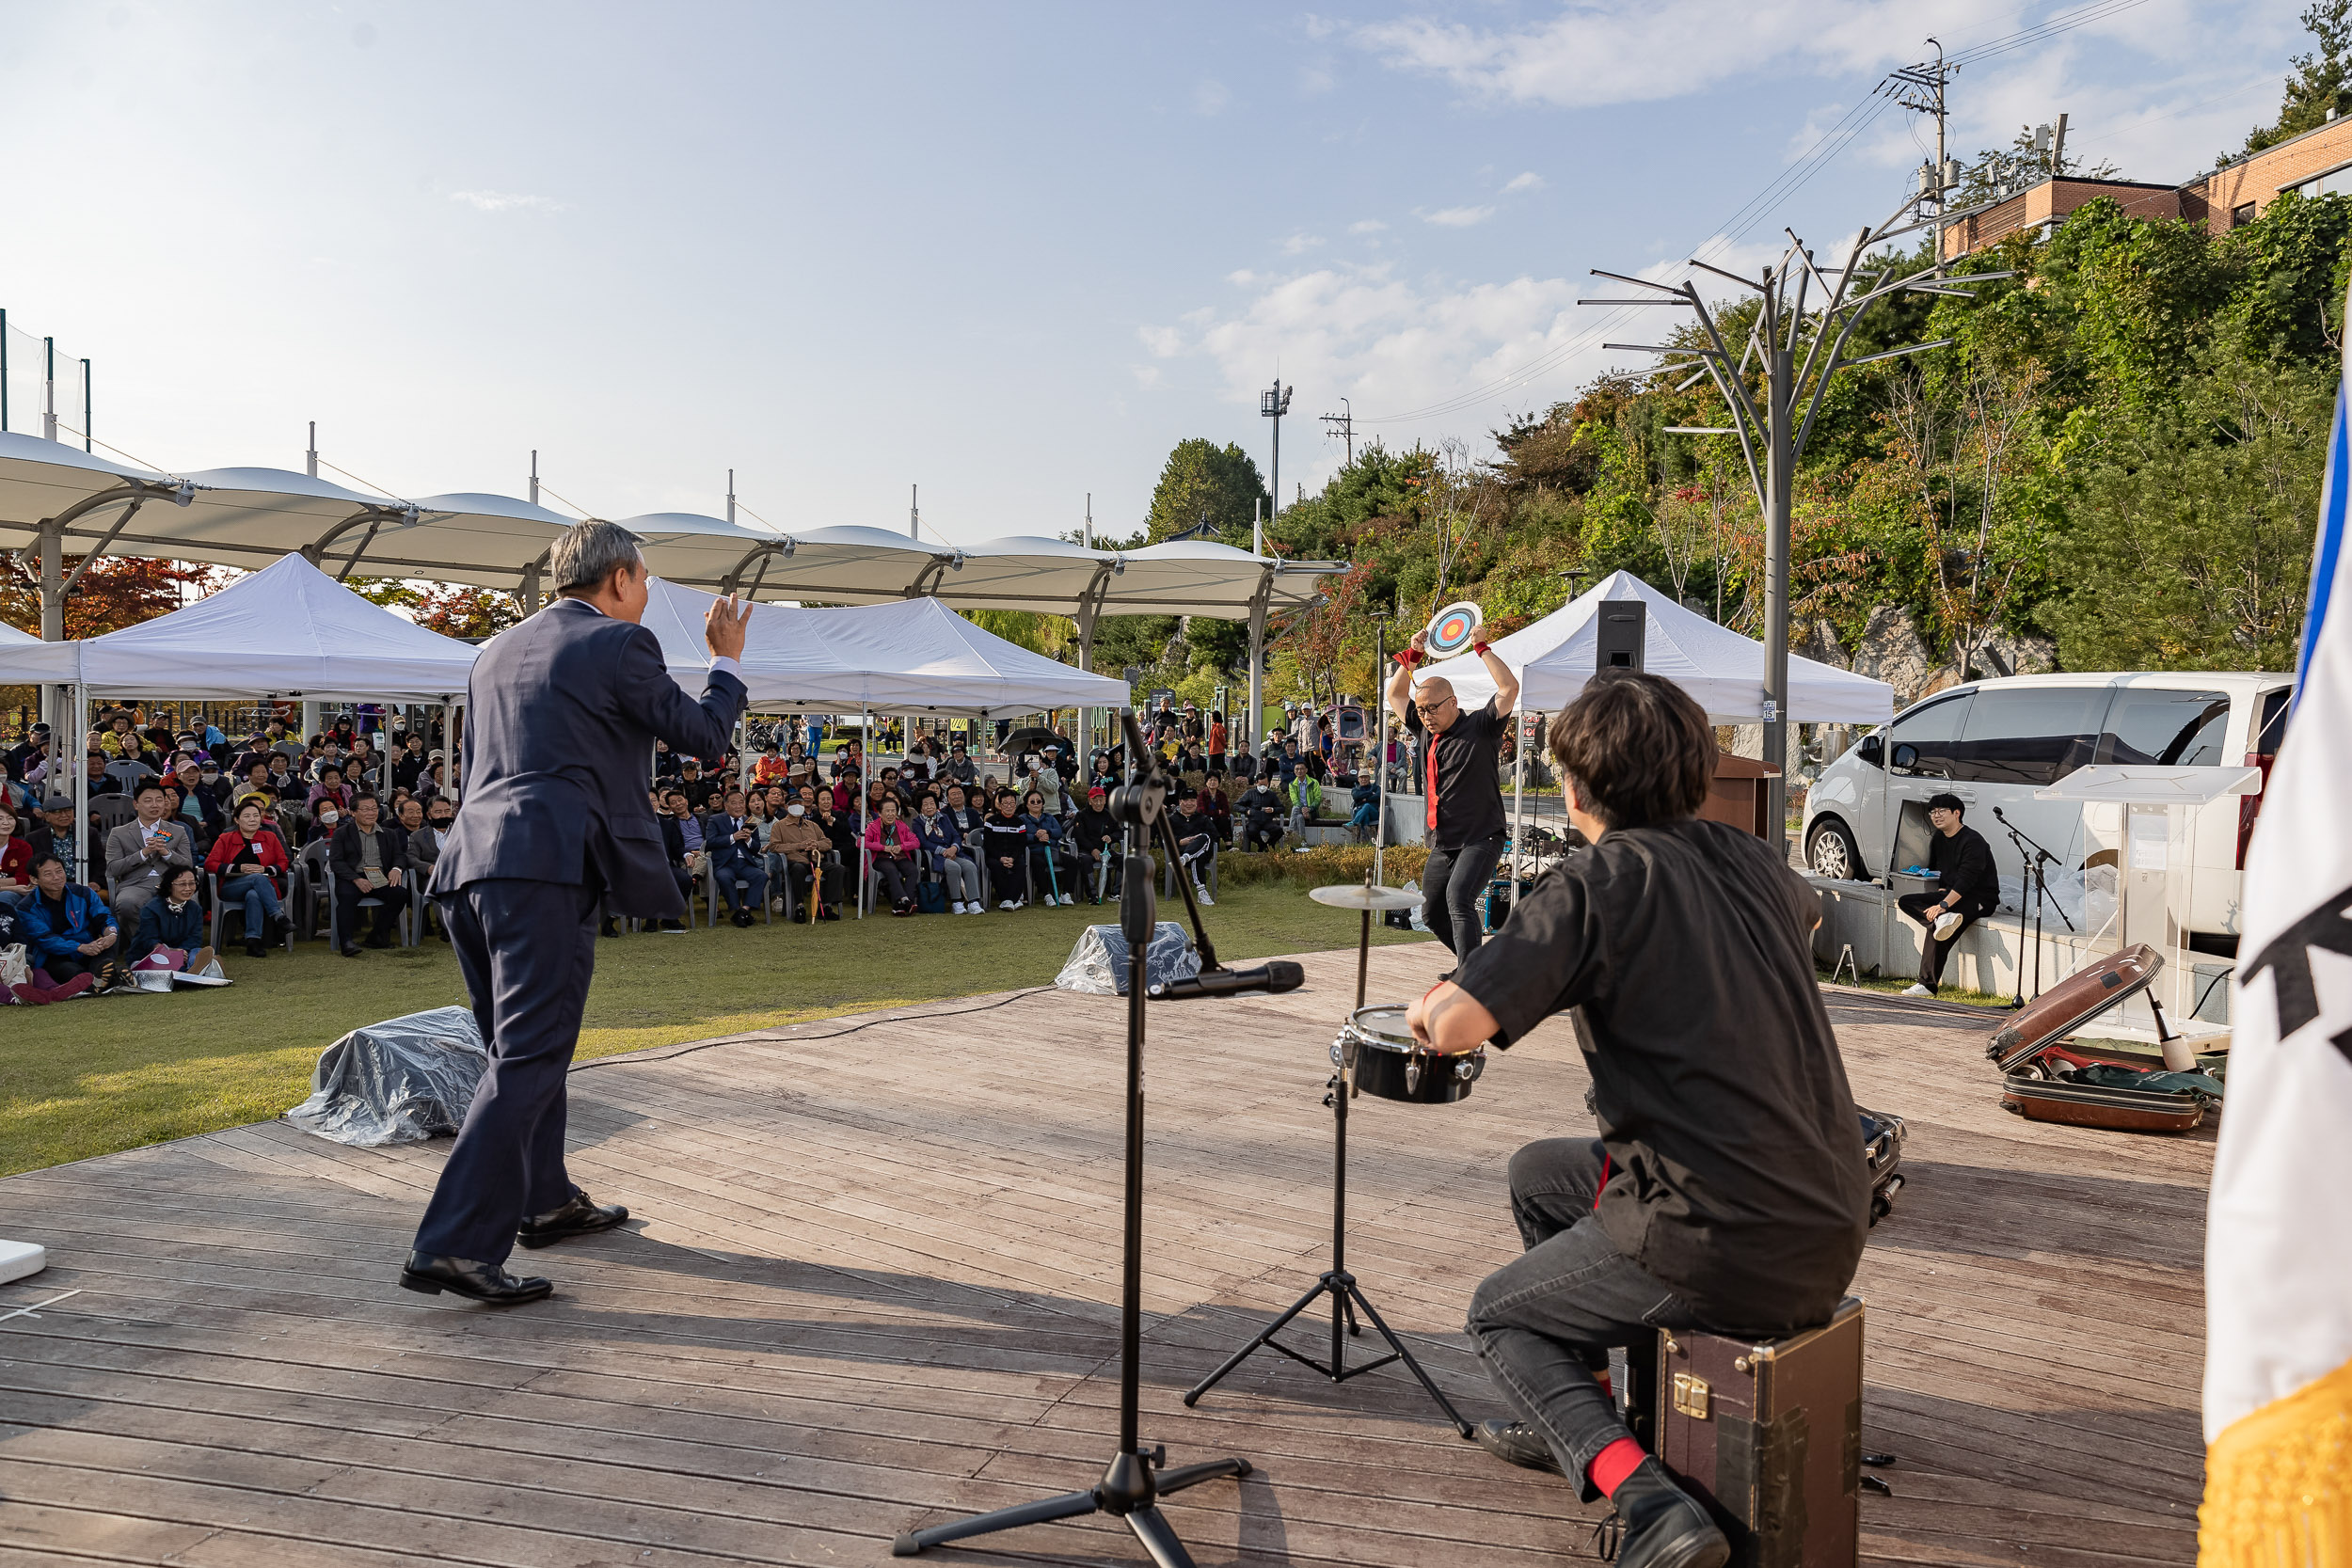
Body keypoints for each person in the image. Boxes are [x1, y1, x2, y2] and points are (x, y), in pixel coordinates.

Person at [1405, 673, 1866, 1567]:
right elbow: (1803, 917)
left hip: (1716, 1235)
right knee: (1540, 1174)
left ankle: (1648, 1498)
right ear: (1695, 776)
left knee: (1500, 1315)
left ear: (1575, 788)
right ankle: (1578, 1418)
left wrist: (1431, 1004)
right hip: (1827, 1213)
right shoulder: (1754, 858)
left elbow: (1459, 1024)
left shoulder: (1598, 882)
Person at [404, 520, 751, 1307]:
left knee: (520, 1051)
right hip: (544, 868)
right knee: (530, 1054)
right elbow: (703, 737)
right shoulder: (619, 647)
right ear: (621, 579)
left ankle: (545, 1198)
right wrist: (725, 659)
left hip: (471, 865)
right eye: (646, 582)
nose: (648, 596)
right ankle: (453, 1243)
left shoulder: (493, 651)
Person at [1388, 625, 1519, 963]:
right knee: (1431, 912)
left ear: (1453, 702)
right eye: (1421, 710)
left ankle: (1471, 978)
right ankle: (1477, 967)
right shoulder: (1423, 730)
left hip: (1482, 837)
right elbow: (1395, 695)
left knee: (1459, 899)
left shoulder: (1482, 726)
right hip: (1443, 840)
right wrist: (1413, 656)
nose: (1426, 716)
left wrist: (1482, 647)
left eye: (1433, 708)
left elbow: (1509, 687)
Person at [1898, 792, 2000, 997]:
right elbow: (1943, 872)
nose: (1936, 815)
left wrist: (1943, 905)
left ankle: (1927, 985)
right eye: (1933, 811)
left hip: (1980, 898)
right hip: (1952, 895)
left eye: (1942, 811)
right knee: (1906, 901)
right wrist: (1942, 896)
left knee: (1939, 927)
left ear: (1957, 813)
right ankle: (1942, 921)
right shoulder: (1938, 839)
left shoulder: (1973, 841)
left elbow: (1967, 880)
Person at [18, 853, 121, 999]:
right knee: (72, 972)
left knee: (113, 933)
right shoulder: (26, 907)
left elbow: (103, 916)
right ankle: (109, 977)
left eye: (59, 871)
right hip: (55, 956)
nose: (56, 877)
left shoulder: (83, 892)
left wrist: (110, 934)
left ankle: (100, 977)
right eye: (48, 874)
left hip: (90, 948)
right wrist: (79, 947)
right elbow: (44, 939)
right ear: (34, 879)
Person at [105, 782, 198, 933]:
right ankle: (150, 943)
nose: (155, 805)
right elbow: (113, 868)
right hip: (135, 884)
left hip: (171, 883)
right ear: (136, 804)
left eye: (159, 800)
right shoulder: (119, 833)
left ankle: (165, 946)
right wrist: (144, 853)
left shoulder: (178, 831)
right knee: (127, 903)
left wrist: (166, 853)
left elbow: (188, 865)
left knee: (189, 902)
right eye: (148, 800)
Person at [203, 799, 290, 957]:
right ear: (237, 819)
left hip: (263, 887)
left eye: (256, 816)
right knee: (257, 878)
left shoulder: (269, 837)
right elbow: (210, 864)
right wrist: (238, 868)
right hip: (231, 887)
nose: (252, 820)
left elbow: (284, 862)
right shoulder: (226, 838)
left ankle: (253, 941)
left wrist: (266, 869)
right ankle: (278, 915)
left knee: (254, 894)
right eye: (247, 816)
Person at [328, 792, 407, 955]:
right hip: (352, 877)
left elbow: (399, 856)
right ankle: (347, 942)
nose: (371, 813)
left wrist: (396, 869)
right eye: (365, 809)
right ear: (353, 812)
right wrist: (356, 879)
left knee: (400, 894)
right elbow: (336, 862)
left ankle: (376, 935)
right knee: (346, 896)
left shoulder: (388, 833)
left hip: (380, 876)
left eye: (374, 808)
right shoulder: (342, 833)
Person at [128, 865, 216, 978]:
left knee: (197, 952)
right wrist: (171, 952)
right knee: (158, 960)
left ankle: (192, 970)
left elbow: (195, 938)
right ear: (169, 886)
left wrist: (183, 952)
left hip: (184, 953)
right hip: (155, 953)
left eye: (192, 883)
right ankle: (195, 972)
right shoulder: (151, 908)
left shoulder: (195, 909)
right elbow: (148, 940)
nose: (188, 888)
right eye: (182, 884)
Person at [767, 794, 841, 921]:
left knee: (837, 869)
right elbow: (774, 847)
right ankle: (799, 906)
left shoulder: (812, 825)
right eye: (793, 804)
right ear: (786, 806)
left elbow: (827, 842)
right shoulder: (779, 826)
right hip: (795, 860)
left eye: (800, 804)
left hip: (815, 860)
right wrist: (798, 846)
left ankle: (826, 905)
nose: (797, 807)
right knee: (798, 869)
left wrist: (816, 844)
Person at [705, 788, 768, 927]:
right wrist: (733, 837)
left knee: (761, 876)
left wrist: (749, 840)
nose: (738, 806)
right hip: (724, 863)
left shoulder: (751, 821)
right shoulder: (715, 820)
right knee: (724, 877)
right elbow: (710, 842)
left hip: (745, 863)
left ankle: (743, 910)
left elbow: (756, 847)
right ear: (726, 806)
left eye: (741, 802)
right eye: (734, 803)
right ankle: (736, 909)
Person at [913, 792, 982, 913]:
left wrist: (954, 848)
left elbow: (955, 835)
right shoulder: (917, 822)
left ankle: (973, 902)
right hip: (935, 856)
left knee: (970, 866)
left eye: (931, 803)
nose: (929, 807)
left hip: (953, 852)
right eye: (925, 804)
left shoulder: (943, 817)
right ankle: (957, 902)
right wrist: (944, 851)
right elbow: (923, 842)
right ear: (921, 807)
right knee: (954, 867)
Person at [865, 796, 922, 915]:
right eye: (887, 811)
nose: (890, 814)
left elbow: (915, 842)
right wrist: (883, 847)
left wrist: (901, 846)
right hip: (881, 858)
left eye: (893, 811)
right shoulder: (873, 826)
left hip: (899, 856)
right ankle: (906, 901)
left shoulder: (901, 826)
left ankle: (900, 905)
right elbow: (861, 842)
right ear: (879, 813)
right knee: (891, 870)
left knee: (912, 870)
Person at [1022, 788, 1074, 905]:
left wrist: (1047, 832)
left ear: (1043, 803)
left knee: (1072, 861)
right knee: (1038, 863)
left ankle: (1066, 894)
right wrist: (1036, 837)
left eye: (1039, 801)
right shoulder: (1022, 819)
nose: (1036, 804)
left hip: (1051, 850)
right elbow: (1021, 837)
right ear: (1026, 804)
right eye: (1032, 802)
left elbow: (1058, 832)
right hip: (1034, 852)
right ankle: (1046, 894)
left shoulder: (1049, 817)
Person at [1071, 785, 1121, 904]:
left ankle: (1116, 893)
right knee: (1086, 861)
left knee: (1122, 860)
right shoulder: (1081, 815)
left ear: (1105, 800)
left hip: (1105, 850)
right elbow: (1079, 836)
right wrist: (1092, 849)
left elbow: (1119, 831)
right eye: (1095, 800)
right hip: (1087, 850)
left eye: (1101, 800)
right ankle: (1092, 895)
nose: (1098, 803)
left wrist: (1111, 837)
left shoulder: (1110, 815)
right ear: (1090, 800)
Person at [982, 788, 1030, 909]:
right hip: (996, 856)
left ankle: (1012, 899)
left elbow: (1021, 844)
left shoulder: (1020, 822)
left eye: (1012, 803)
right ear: (1000, 804)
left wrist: (1012, 858)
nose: (1009, 806)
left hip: (1013, 856)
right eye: (1005, 803)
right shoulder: (991, 821)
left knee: (1020, 866)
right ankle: (1007, 899)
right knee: (996, 866)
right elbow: (988, 844)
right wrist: (1001, 858)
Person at [1170, 792, 1217, 906]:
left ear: (1196, 803)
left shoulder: (1203, 818)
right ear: (1180, 802)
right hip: (1181, 851)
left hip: (1204, 852)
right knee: (1197, 856)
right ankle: (1202, 892)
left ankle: (1185, 858)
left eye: (1192, 800)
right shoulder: (1172, 820)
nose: (1189, 803)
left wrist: (1197, 839)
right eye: (1186, 800)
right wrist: (1180, 841)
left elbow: (1215, 835)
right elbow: (1164, 839)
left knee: (1204, 836)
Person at [1235, 774, 1284, 853]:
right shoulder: (1249, 793)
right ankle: (1262, 846)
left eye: (1265, 784)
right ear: (1256, 783)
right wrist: (1246, 810)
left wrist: (1273, 809)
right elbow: (1236, 805)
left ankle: (1269, 845)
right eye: (1261, 784)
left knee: (1278, 831)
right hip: (1254, 821)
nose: (1263, 787)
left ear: (1268, 784)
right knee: (1250, 831)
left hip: (1267, 821)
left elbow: (1281, 808)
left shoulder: (1271, 795)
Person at [0, 803, 33, 909]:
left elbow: (23, 879)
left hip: (11, 895)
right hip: (14, 889)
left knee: (6, 896)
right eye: (0, 819)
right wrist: (13, 887)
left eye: (10, 818)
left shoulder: (23, 847)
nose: (6, 823)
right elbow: (18, 884)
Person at [1280, 762, 1321, 839]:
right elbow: (1295, 800)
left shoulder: (1314, 782)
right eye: (1297, 769)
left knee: (1295, 809)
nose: (1299, 771)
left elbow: (1318, 799)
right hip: (1299, 809)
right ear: (1294, 771)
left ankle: (1290, 833)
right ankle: (1302, 840)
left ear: (1306, 770)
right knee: (1299, 816)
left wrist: (1309, 809)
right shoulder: (1292, 784)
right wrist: (1303, 808)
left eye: (1302, 769)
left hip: (1312, 810)